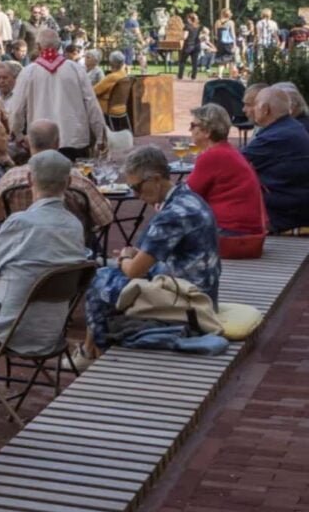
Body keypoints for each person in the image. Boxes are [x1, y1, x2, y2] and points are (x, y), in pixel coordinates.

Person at [78, 146, 220, 365]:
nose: (135, 195)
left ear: (155, 179)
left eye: (137, 187)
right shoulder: (189, 198)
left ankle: (95, 353)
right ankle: (92, 349)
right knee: (110, 274)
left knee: (99, 281)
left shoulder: (171, 215)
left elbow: (135, 270)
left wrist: (126, 257)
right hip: (202, 286)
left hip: (188, 297)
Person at [0, 151, 89, 353]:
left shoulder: (21, 222)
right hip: (52, 333)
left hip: (6, 330)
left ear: (29, 180)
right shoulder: (75, 226)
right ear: (69, 182)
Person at [0, 119, 113, 230]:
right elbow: (105, 217)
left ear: (28, 143)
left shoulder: (11, 178)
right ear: (58, 143)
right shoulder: (76, 178)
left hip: (23, 245)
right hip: (70, 246)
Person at [6, 27, 104, 159]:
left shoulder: (28, 72)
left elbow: (17, 108)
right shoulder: (75, 69)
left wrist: (17, 133)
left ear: (38, 46)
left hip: (41, 139)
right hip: (73, 137)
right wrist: (100, 136)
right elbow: (91, 103)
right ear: (59, 46)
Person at [186, 103, 267, 257]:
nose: (190, 130)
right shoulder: (228, 151)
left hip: (230, 233)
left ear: (207, 131)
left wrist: (161, 200)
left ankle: (137, 265)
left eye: (193, 125)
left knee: (168, 230)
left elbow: (187, 195)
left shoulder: (212, 155)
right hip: (245, 230)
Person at [243, 86, 309, 233]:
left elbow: (233, 163)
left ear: (265, 109)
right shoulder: (291, 127)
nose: (251, 110)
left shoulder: (275, 136)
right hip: (293, 204)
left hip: (283, 214)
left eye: (255, 105)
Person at [92, 52, 130, 122]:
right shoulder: (125, 75)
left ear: (111, 63)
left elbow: (94, 91)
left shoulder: (112, 77)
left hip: (108, 107)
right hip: (122, 107)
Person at [176, 12, 202, 80]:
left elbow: (185, 36)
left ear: (189, 19)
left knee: (182, 61)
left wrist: (179, 37)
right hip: (196, 45)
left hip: (188, 46)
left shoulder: (187, 26)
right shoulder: (199, 26)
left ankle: (180, 75)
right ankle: (194, 76)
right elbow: (205, 33)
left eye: (187, 18)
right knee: (195, 62)